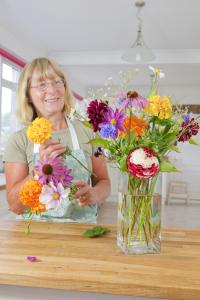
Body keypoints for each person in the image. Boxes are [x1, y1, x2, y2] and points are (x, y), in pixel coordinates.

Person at [3, 57, 110, 223]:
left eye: (57, 81)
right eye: (42, 84)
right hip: (37, 237)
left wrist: (94, 194)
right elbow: (16, 206)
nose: (52, 90)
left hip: (82, 233)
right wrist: (38, 172)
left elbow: (104, 182)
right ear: (28, 95)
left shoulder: (90, 133)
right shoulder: (18, 141)